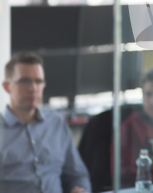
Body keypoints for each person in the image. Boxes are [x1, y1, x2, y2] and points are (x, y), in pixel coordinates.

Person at [0, 52, 91, 193]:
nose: (33, 88)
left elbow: (77, 175)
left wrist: (80, 189)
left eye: (38, 81)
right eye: (24, 81)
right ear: (7, 86)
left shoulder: (56, 123)